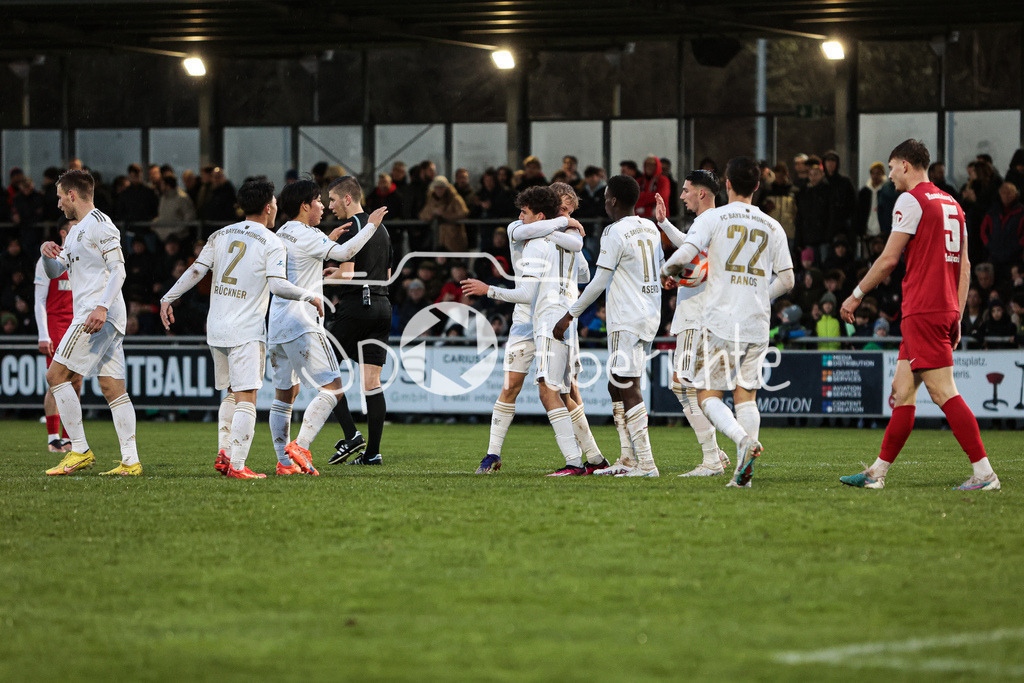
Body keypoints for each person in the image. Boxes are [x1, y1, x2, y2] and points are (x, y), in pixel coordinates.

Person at [839, 139, 999, 491]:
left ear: (906, 166)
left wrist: (855, 294)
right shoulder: (953, 204)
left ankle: (985, 474)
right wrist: (956, 313)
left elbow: (888, 259)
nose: (890, 174)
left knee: (944, 393)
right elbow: (966, 265)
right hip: (940, 307)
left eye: (893, 167)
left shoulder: (911, 200)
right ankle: (876, 474)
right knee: (902, 390)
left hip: (923, 308)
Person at [160, 178, 323, 479]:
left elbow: (197, 269)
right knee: (247, 397)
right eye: (274, 203)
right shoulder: (272, 241)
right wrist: (308, 295)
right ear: (267, 207)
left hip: (217, 328)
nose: (276, 208)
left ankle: (225, 453)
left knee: (232, 394)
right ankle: (237, 466)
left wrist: (168, 297)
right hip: (246, 329)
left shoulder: (220, 234)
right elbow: (277, 285)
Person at [660, 157, 795, 488]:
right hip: (758, 322)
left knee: (708, 395)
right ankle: (743, 476)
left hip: (722, 319)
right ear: (758, 186)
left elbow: (687, 252)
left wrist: (666, 271)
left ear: (728, 184)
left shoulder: (715, 218)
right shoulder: (772, 224)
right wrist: (763, 296)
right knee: (746, 395)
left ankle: (741, 441)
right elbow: (789, 280)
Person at [462, 186, 595, 476]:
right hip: (525, 318)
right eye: (564, 210)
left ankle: (591, 457)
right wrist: (566, 227)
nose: (568, 215)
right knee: (511, 386)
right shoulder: (519, 228)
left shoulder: (556, 237)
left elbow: (583, 271)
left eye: (571, 212)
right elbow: (527, 232)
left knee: (566, 389)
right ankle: (492, 454)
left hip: (551, 315)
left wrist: (567, 239)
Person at [266, 180, 385, 476]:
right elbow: (345, 255)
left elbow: (299, 268)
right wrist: (370, 226)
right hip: (303, 322)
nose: (323, 206)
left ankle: (284, 463)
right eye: (319, 201)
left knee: (284, 394)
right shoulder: (307, 234)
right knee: (334, 387)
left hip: (277, 323)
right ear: (305, 206)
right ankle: (302, 445)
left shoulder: (283, 233)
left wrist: (325, 244)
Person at [554, 175, 664, 477]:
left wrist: (569, 314)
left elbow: (599, 280)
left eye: (605, 197)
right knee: (615, 383)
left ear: (613, 200)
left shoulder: (614, 232)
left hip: (627, 316)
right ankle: (627, 459)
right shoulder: (650, 226)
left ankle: (646, 463)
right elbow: (661, 266)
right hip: (650, 312)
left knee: (627, 385)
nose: (604, 201)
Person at [39, 170, 142, 476]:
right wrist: (47, 255)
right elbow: (57, 272)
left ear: (72, 194)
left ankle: (79, 450)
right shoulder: (75, 233)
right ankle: (130, 461)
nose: (58, 204)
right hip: (104, 314)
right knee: (112, 387)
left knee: (56, 375)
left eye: (60, 197)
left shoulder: (100, 224)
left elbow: (119, 270)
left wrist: (100, 307)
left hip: (95, 315)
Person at [653, 171, 731, 477]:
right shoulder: (717, 222)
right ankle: (717, 454)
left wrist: (672, 274)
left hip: (696, 314)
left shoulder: (706, 221)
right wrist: (664, 223)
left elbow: (701, 267)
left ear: (701, 193)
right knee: (692, 386)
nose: (682, 195)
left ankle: (713, 456)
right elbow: (694, 250)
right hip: (703, 313)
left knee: (683, 384)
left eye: (686, 191)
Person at [323, 176, 393, 466]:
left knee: (324, 366)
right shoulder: (384, 230)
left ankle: (351, 434)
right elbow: (387, 275)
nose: (329, 206)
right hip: (382, 304)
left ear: (347, 199)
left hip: (357, 305)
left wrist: (327, 275)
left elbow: (349, 274)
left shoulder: (353, 226)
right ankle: (373, 453)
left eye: (332, 200)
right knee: (372, 382)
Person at [34, 219, 77, 452]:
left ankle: (71, 438)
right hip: (56, 327)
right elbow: (39, 299)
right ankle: (53, 437)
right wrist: (43, 334)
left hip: (78, 325)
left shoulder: (82, 258)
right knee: (56, 381)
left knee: (77, 382)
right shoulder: (48, 259)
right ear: (63, 233)